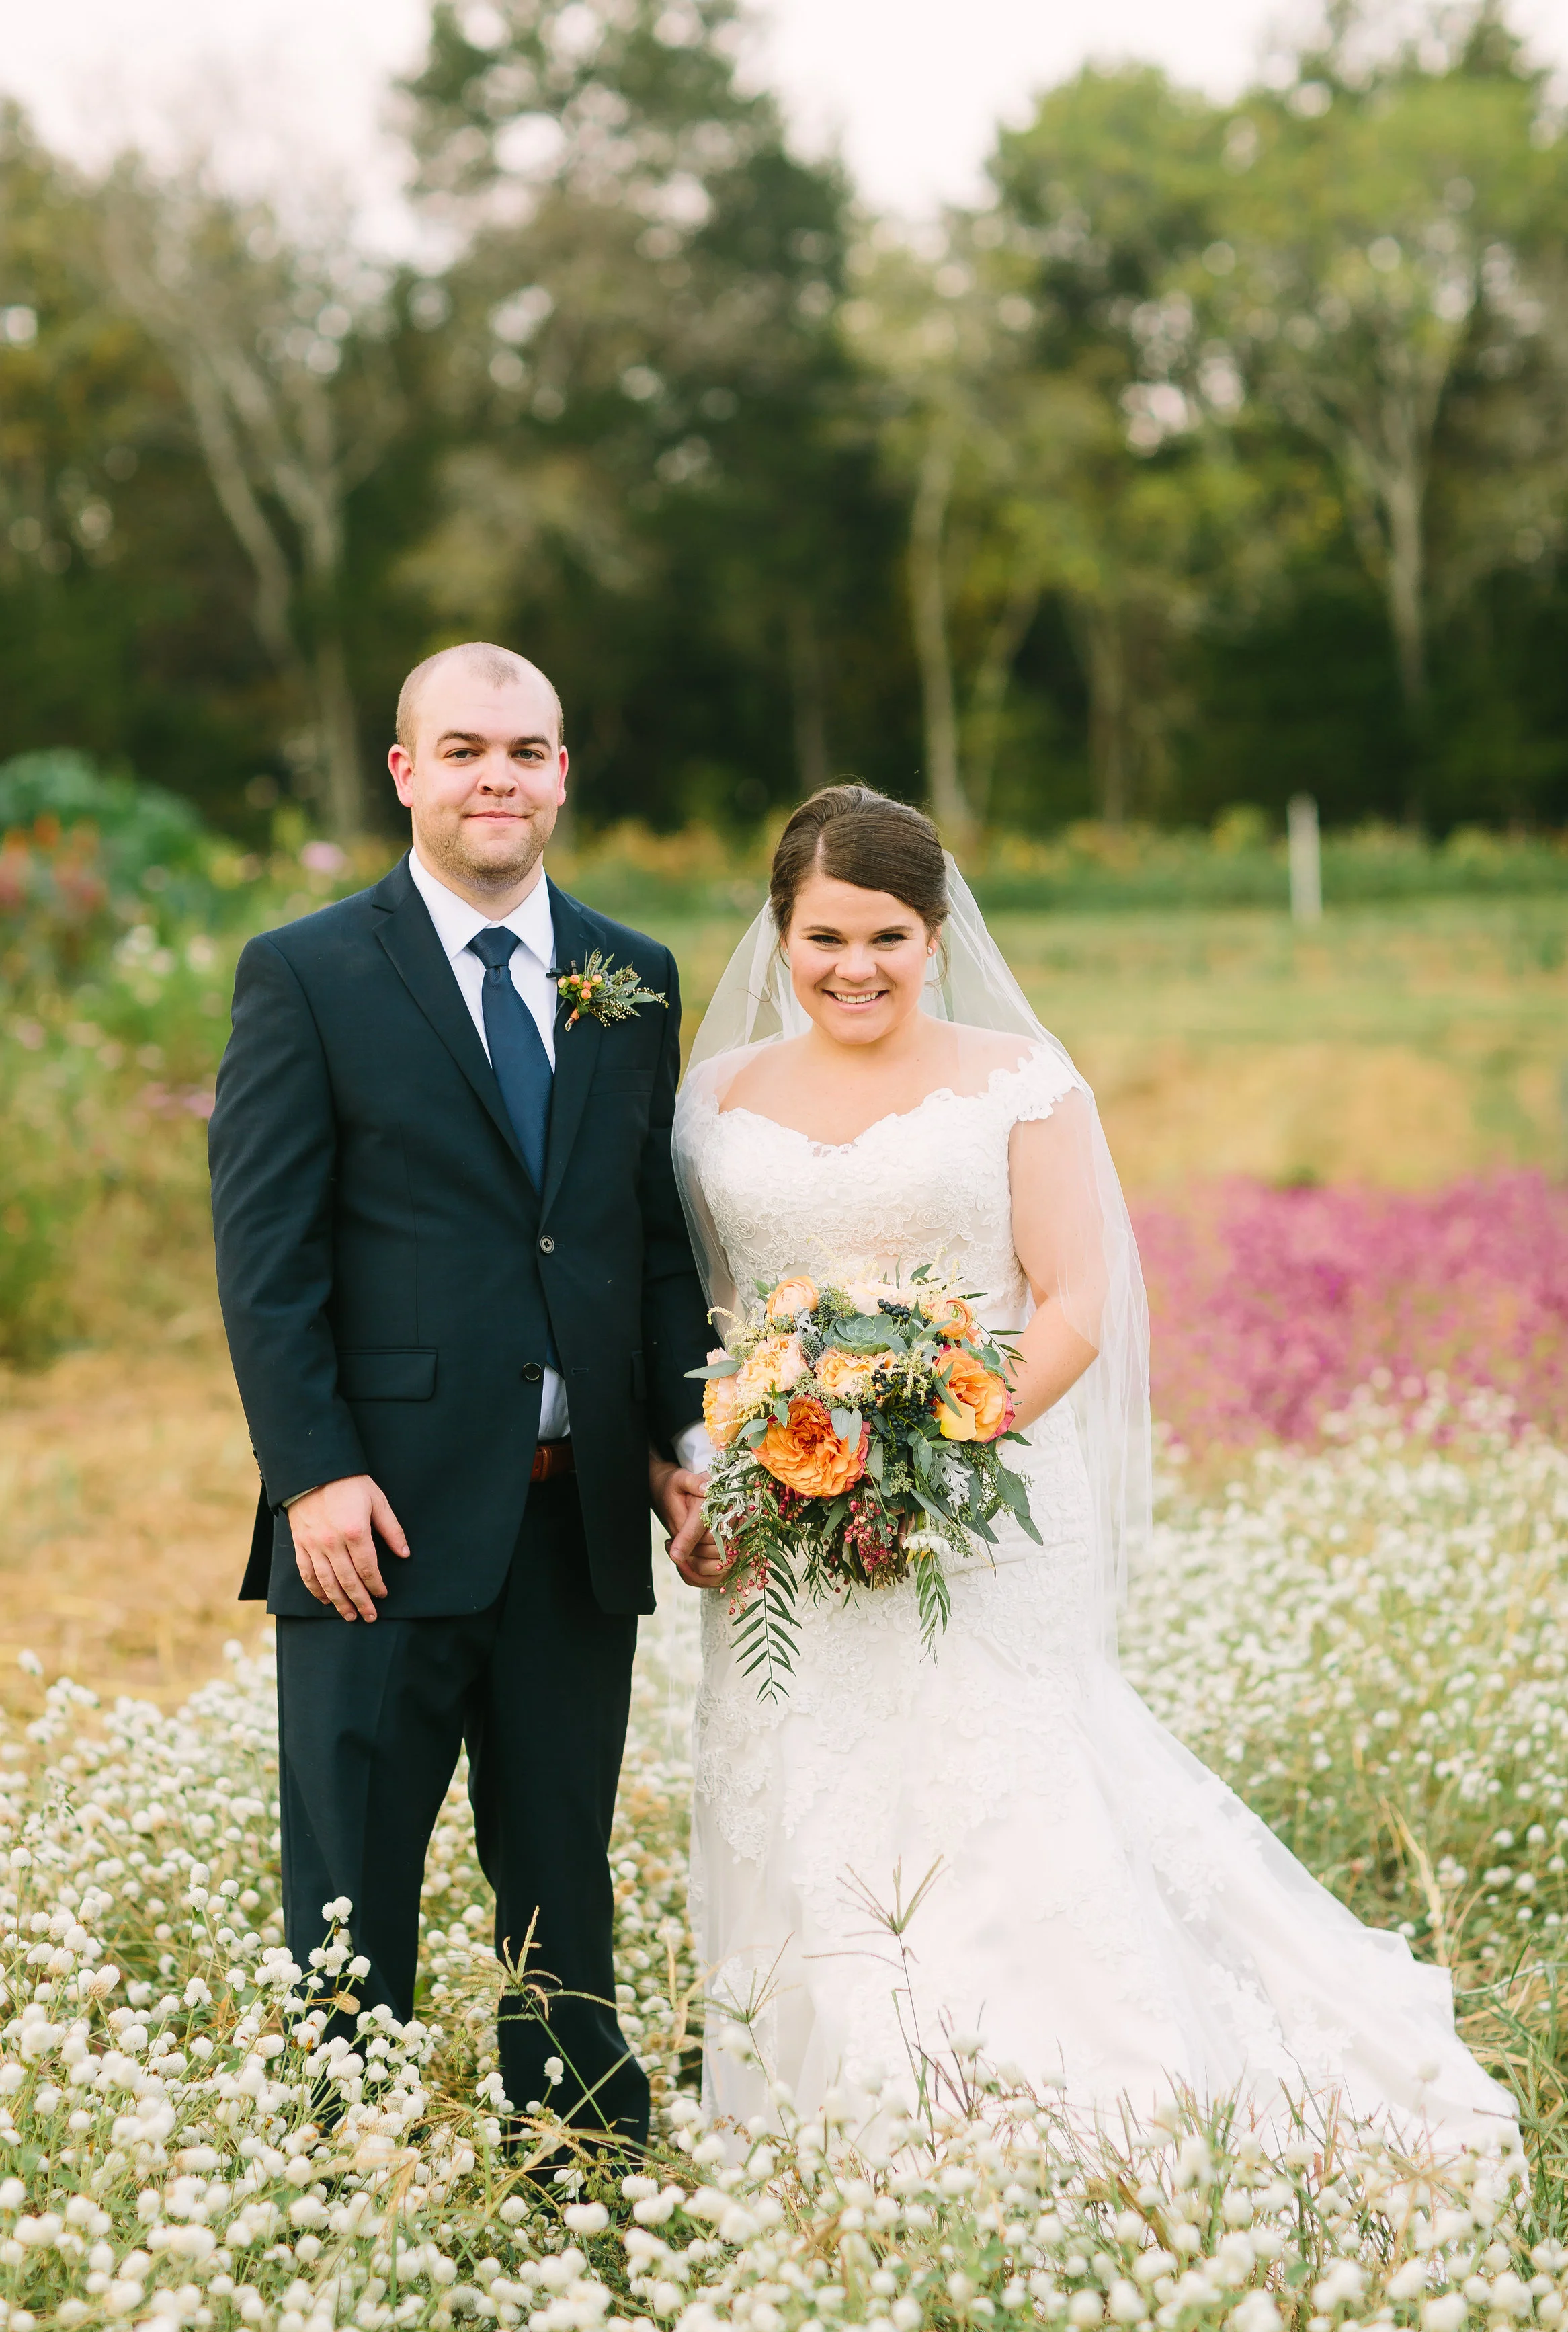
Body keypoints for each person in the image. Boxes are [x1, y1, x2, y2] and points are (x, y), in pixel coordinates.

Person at [671, 781, 1512, 2145]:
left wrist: (927, 1441)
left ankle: (1070, 2120)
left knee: (1000, 1801)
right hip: (786, 1542)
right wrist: (737, 1466)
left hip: (975, 1514)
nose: (854, 968)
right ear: (778, 937)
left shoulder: (1013, 1082)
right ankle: (835, 2138)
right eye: (824, 937)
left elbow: (1071, 1294)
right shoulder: (712, 1100)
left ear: (935, 935)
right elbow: (705, 1310)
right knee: (806, 1808)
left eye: (885, 936)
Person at [209, 641, 717, 2147]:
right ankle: (336, 2176)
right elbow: (266, 1253)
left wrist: (683, 1440)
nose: (498, 774)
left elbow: (643, 1239)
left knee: (564, 1870)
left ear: (562, 772)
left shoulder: (630, 977)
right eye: (465, 748)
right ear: (405, 772)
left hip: (572, 1526)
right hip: (380, 1521)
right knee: (351, 1882)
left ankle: (577, 2168)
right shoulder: (305, 971)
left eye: (527, 749)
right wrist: (313, 1473)